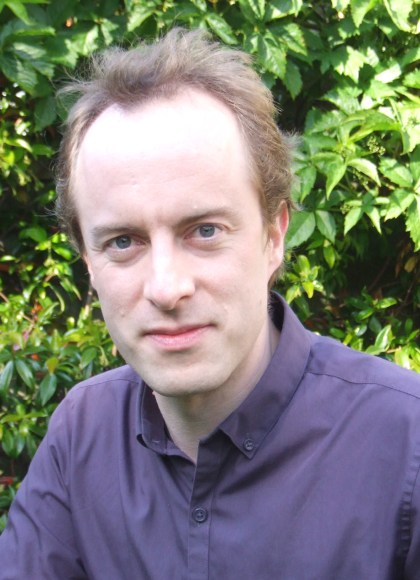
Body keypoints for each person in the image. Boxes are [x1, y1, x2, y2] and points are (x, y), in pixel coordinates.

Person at [0, 27, 419, 580]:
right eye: (123, 242)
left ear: (274, 235)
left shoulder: (406, 444)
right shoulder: (81, 435)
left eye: (204, 231)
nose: (166, 287)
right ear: (88, 262)